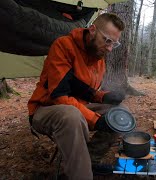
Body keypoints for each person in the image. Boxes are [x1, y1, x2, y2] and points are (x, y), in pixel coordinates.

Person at [27, 13, 125, 180]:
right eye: (107, 40)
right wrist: (95, 119)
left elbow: (83, 90)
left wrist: (103, 97)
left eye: (114, 44)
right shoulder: (63, 46)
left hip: (78, 108)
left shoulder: (98, 58)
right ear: (92, 30)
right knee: (72, 116)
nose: (109, 48)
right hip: (45, 109)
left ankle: (90, 159)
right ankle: (80, 175)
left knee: (120, 113)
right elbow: (59, 95)